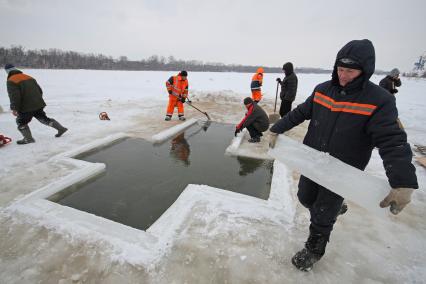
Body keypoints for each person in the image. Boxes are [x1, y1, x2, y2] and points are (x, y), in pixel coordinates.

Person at [269, 39, 418, 272]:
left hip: (343, 169)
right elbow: (300, 112)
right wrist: (277, 128)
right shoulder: (322, 90)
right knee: (306, 197)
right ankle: (335, 208)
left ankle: (315, 247)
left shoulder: (379, 100)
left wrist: (403, 182)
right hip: (312, 160)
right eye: (340, 69)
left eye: (350, 70)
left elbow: (392, 141)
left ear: (365, 70)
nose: (343, 75)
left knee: (322, 212)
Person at [5, 64, 68, 145]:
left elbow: (14, 96)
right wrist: (37, 101)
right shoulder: (29, 77)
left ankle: (28, 139)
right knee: (43, 118)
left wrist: (14, 108)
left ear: (7, 71)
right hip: (38, 103)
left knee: (21, 122)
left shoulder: (11, 80)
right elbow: (39, 90)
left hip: (26, 107)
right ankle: (61, 128)